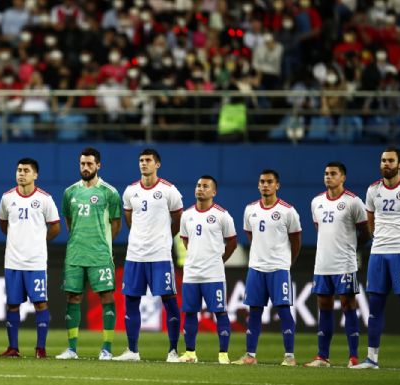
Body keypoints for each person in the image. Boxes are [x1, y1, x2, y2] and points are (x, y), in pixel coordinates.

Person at [112, 149, 183, 362]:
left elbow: (178, 220)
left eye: (148, 160)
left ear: (157, 164)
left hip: (160, 255)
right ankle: (132, 351)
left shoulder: (170, 191)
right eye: (141, 160)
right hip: (135, 256)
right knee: (131, 301)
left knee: (169, 301)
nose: (144, 164)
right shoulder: (130, 191)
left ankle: (172, 351)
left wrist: (164, 237)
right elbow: (129, 218)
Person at [352, 147, 400, 371]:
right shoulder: (373, 190)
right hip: (378, 253)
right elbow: (370, 218)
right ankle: (371, 359)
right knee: (375, 306)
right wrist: (377, 237)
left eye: (390, 160)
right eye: (382, 160)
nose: (385, 164)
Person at [56, 147, 122, 360]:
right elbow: (69, 222)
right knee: (73, 297)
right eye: (82, 164)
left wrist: (104, 245)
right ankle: (72, 349)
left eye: (90, 164)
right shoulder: (70, 192)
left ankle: (106, 349)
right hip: (75, 254)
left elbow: (116, 224)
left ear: (98, 165)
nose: (85, 167)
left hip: (100, 255)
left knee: (106, 296)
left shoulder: (109, 192)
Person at [233, 169, 302, 366]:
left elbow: (296, 240)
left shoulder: (288, 211)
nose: (265, 185)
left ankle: (289, 356)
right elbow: (250, 235)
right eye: (262, 181)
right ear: (258, 185)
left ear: (277, 185)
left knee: (283, 310)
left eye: (270, 182)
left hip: (279, 268)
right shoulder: (250, 209)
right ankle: (250, 355)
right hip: (256, 268)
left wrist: (287, 262)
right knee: (254, 311)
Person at [305, 162, 369, 368]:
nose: (328, 177)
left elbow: (366, 231)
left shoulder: (353, 202)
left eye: (333, 174)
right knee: (324, 307)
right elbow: (321, 229)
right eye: (326, 173)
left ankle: (353, 357)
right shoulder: (316, 202)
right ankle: (322, 357)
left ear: (343, 178)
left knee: (348, 305)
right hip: (322, 263)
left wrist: (351, 248)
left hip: (345, 264)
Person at [0, 158, 60, 358]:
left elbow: (55, 227)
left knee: (40, 303)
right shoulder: (7, 198)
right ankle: (13, 348)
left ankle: (40, 348)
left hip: (36, 262)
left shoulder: (44, 199)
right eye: (19, 170)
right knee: (13, 304)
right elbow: (2, 223)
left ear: (35, 175)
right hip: (13, 261)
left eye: (26, 170)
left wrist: (40, 241)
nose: (21, 173)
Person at [178, 176, 237, 365]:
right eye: (198, 185)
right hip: (192, 273)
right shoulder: (186, 215)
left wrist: (218, 261)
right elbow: (185, 239)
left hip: (214, 274)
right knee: (189, 312)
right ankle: (190, 353)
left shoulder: (222, 215)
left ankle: (223, 355)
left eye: (205, 186)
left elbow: (232, 243)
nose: (200, 189)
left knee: (219, 312)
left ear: (214, 192)